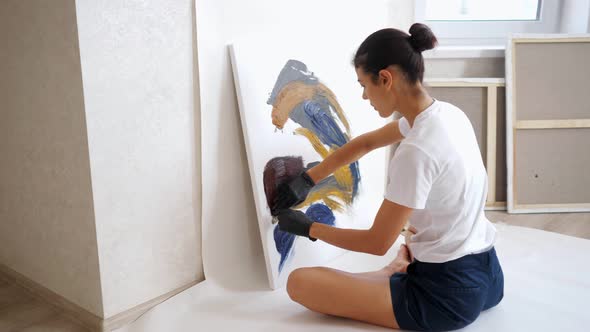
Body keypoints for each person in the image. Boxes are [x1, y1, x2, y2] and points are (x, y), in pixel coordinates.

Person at [271, 23, 504, 331]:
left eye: (364, 85)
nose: (364, 96)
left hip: (447, 295)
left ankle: (397, 273)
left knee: (300, 282)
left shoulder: (417, 150)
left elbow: (377, 242)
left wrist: (308, 227)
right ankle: (399, 271)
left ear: (385, 79)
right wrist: (308, 179)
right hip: (490, 276)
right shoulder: (446, 114)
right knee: (383, 262)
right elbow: (365, 143)